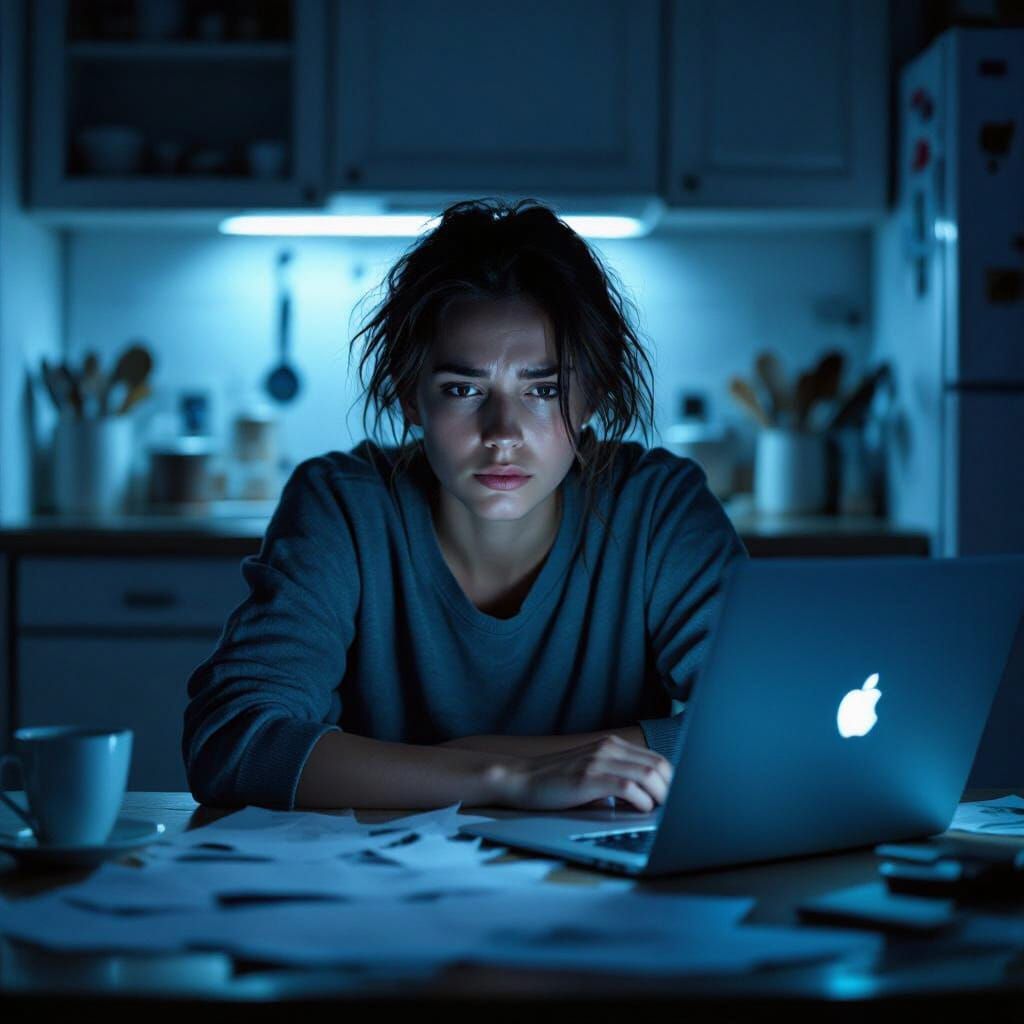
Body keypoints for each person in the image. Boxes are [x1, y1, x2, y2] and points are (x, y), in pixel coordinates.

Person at [182, 197, 748, 813]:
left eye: (543, 390)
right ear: (408, 398)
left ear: (593, 398)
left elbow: (774, 719)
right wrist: (508, 777)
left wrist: (469, 755)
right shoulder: (344, 506)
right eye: (462, 389)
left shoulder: (658, 507)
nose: (502, 432)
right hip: (376, 891)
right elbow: (233, 743)